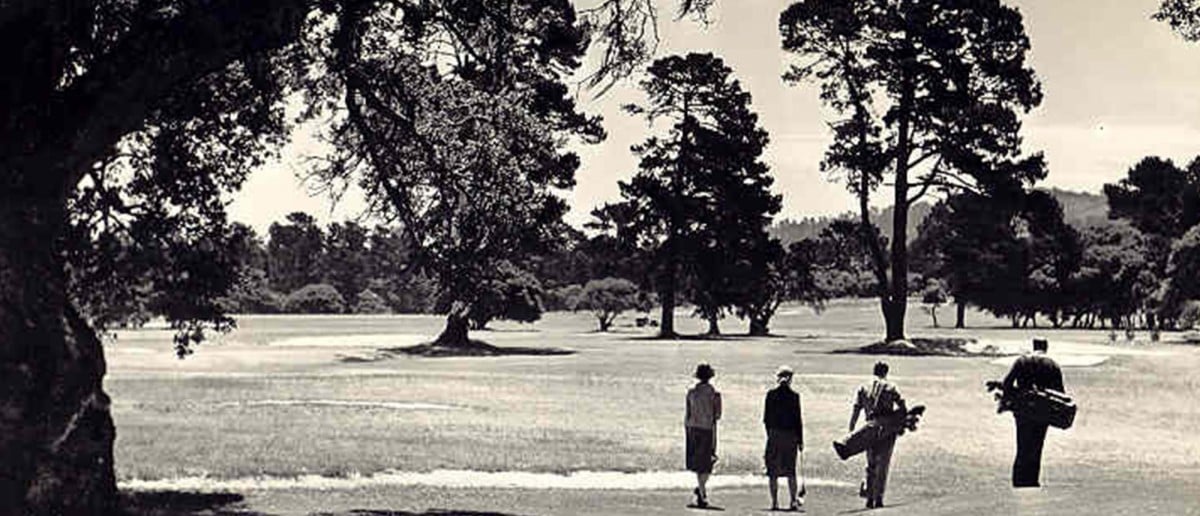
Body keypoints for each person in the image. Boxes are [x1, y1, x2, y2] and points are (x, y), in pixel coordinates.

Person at [1002, 337, 1064, 488]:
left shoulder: (1022, 361)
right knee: (1037, 445)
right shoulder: (1053, 365)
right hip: (1043, 411)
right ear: (1046, 347)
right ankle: (1032, 479)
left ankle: (1019, 480)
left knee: (1022, 444)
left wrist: (1012, 399)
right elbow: (1061, 392)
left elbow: (1007, 383)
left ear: (1033, 346)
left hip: (1023, 410)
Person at [848, 361, 906, 509]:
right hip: (887, 429)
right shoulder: (891, 387)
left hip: (869, 428)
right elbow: (902, 406)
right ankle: (878, 497)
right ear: (886, 372)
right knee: (883, 464)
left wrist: (852, 430)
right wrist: (900, 422)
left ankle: (869, 497)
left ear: (874, 371)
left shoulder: (864, 387)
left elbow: (856, 408)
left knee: (871, 463)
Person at [763, 365, 805, 511]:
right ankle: (793, 500)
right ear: (790, 379)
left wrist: (770, 434)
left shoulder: (771, 394)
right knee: (790, 470)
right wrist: (800, 440)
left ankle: (774, 502)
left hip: (774, 434)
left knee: (772, 471)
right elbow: (798, 420)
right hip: (790, 436)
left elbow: (766, 419)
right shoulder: (794, 396)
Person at [686, 362, 722, 508]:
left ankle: (701, 490)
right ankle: (702, 491)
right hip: (707, 429)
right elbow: (718, 414)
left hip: (693, 428)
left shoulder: (691, 392)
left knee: (697, 462)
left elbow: (688, 413)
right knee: (707, 462)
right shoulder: (714, 394)